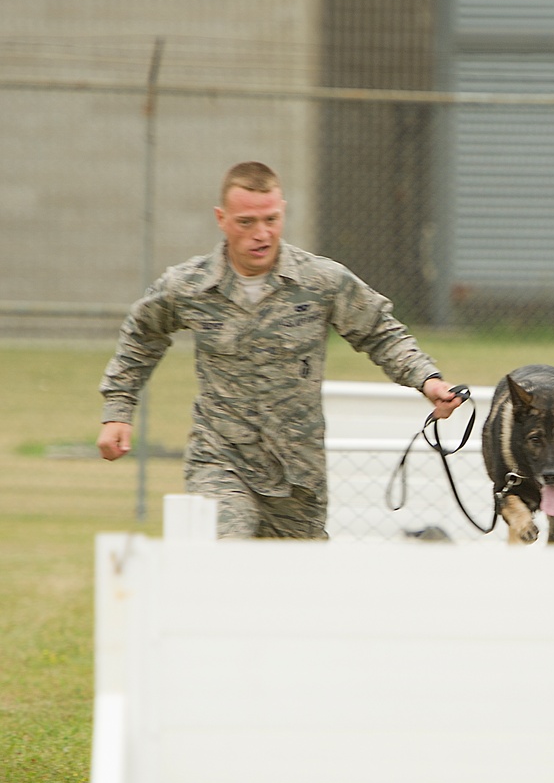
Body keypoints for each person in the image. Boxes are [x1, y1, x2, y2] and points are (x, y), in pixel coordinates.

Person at [97, 160, 462, 538]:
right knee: (227, 556)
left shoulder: (320, 282)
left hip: (297, 475)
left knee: (292, 590)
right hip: (222, 461)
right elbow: (142, 335)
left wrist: (428, 380)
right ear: (221, 219)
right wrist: (118, 412)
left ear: (283, 212)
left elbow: (380, 332)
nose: (261, 234)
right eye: (246, 222)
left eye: (271, 220)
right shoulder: (189, 287)